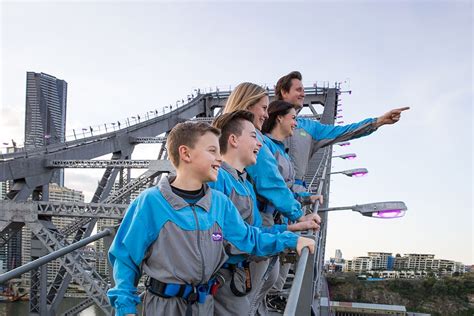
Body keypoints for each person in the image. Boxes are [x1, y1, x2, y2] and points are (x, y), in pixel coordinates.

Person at [106, 121, 316, 316]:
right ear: (185, 154)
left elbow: (249, 239)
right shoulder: (151, 202)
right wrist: (125, 309)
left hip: (204, 305)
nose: (219, 158)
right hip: (165, 307)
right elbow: (126, 259)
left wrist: (290, 239)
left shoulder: (219, 203)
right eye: (212, 151)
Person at [222, 83, 321, 315]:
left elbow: (249, 232)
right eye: (263, 108)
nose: (259, 142)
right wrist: (296, 220)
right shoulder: (223, 181)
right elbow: (273, 185)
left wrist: (289, 230)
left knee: (259, 286)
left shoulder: (242, 182)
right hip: (227, 270)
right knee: (251, 291)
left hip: (248, 240)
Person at [275, 71, 410, 194]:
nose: (303, 94)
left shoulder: (310, 127)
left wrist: (378, 121)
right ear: (284, 92)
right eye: (298, 90)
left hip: (294, 199)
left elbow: (345, 132)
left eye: (304, 90)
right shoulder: (262, 120)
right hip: (265, 196)